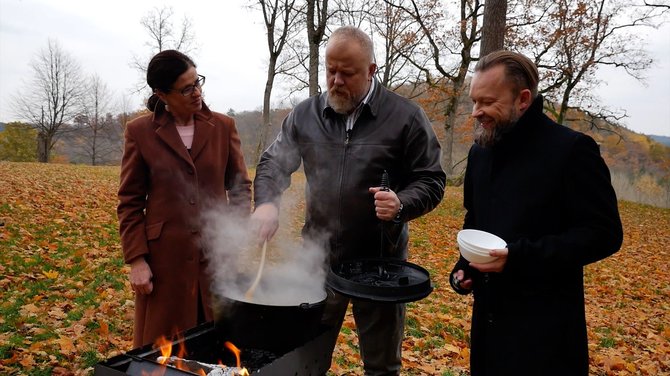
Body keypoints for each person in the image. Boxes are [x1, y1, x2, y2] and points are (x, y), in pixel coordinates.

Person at [251, 26, 446, 375]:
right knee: (304, 360)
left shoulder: (406, 117)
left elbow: (431, 179)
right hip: (317, 262)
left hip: (380, 265)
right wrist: (266, 202)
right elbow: (272, 163)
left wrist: (401, 204)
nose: (336, 80)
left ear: (371, 70)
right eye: (331, 70)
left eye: (348, 72)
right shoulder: (305, 115)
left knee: (381, 366)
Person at [449, 50, 623, 376]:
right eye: (474, 101)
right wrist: (465, 266)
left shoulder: (571, 151)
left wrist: (517, 257)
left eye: (487, 102)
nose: (476, 112)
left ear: (523, 98)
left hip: (546, 335)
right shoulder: (480, 152)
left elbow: (604, 233)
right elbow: (476, 219)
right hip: (488, 327)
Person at [117, 50, 252, 348]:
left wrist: (234, 236)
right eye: (187, 88)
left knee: (217, 349)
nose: (197, 93)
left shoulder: (223, 127)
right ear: (162, 94)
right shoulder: (140, 132)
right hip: (164, 264)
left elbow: (241, 187)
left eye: (198, 82)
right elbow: (129, 201)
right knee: (164, 354)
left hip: (216, 261)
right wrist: (137, 260)